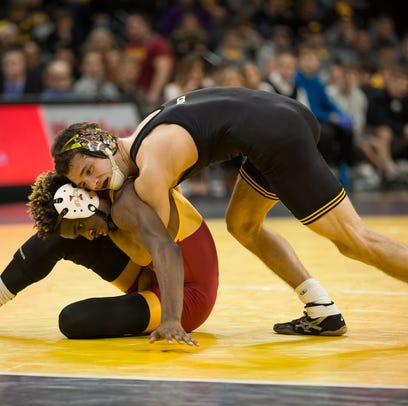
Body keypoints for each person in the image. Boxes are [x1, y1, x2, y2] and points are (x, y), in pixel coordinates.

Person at [52, 87, 408, 346]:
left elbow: (156, 252)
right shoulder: (143, 135)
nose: (92, 182)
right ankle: (321, 310)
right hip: (276, 118)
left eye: (88, 169)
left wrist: (109, 218)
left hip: (277, 136)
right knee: (243, 225)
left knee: (355, 242)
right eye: (82, 181)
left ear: (100, 142)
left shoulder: (151, 168)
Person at [1, 171, 218, 340]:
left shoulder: (132, 198)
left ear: (83, 201)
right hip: (149, 272)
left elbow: (162, 251)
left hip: (185, 294)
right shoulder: (108, 196)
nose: (88, 236)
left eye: (80, 226)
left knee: (74, 320)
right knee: (55, 236)